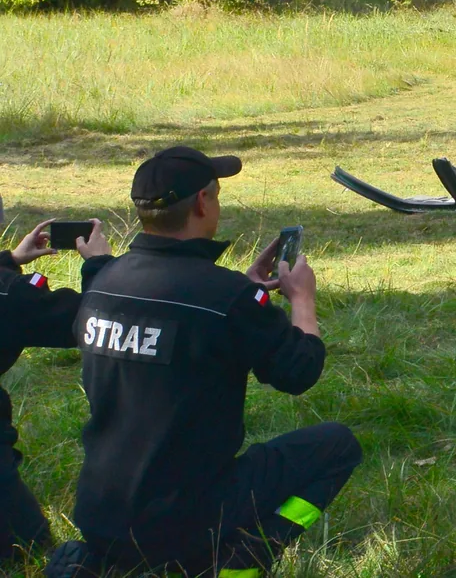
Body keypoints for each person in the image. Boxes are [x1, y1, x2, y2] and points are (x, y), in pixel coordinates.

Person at [53, 147, 361, 578]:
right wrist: (302, 302)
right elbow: (299, 371)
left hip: (100, 515)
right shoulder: (227, 299)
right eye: (215, 195)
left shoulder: (103, 281)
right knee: (338, 446)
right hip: (186, 522)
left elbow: (174, 315)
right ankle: (238, 564)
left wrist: (243, 289)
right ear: (202, 202)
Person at [0, 212, 108, 561]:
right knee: (27, 549)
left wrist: (9, 261)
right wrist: (100, 267)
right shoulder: (12, 296)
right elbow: (90, 322)